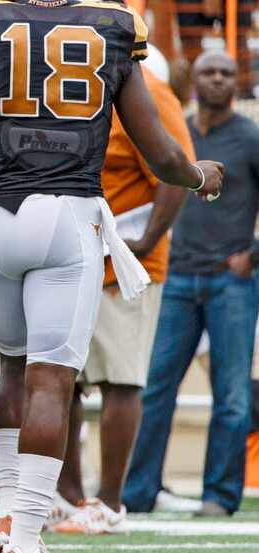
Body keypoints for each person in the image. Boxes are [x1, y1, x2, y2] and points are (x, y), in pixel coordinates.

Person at [0, 1, 224, 553]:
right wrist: (198, 175)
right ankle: (28, 531)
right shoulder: (113, 28)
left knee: (13, 370)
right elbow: (159, 153)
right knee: (52, 381)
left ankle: (8, 513)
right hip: (68, 215)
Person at [49, 63, 196, 535]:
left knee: (120, 379)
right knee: (61, 379)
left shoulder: (150, 89)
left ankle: (110, 502)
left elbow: (177, 169)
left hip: (122, 262)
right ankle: (69, 496)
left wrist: (147, 243)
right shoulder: (76, 83)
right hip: (70, 257)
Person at [123, 51, 259, 518]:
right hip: (175, 277)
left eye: (225, 72)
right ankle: (136, 495)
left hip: (232, 282)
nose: (217, 79)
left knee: (233, 394)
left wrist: (254, 254)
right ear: (194, 80)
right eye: (208, 72)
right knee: (153, 389)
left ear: (237, 83)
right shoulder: (174, 128)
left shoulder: (251, 138)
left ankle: (219, 498)